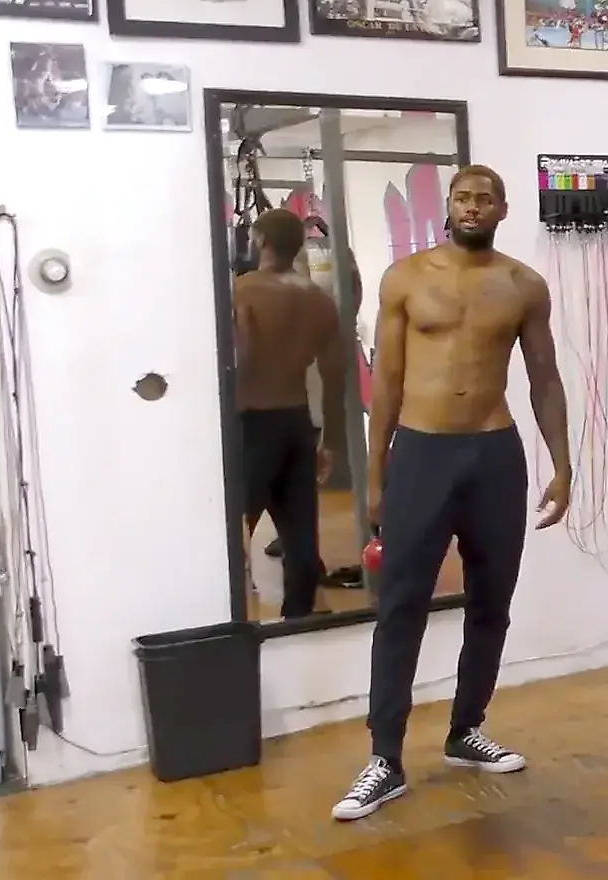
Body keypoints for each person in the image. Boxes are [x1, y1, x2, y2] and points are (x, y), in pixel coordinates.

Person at [332, 165, 573, 821]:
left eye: (484, 199)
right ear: (450, 205)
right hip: (422, 451)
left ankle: (467, 728)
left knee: (492, 601)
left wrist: (562, 465)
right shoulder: (406, 280)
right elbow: (386, 381)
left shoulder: (524, 285)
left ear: (502, 209)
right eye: (463, 197)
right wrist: (376, 475)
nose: (472, 207)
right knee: (401, 606)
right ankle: (385, 758)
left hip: (494, 453)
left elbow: (545, 378)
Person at [232, 209, 344, 621]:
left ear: (260, 241)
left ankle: (232, 622)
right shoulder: (319, 300)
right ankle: (299, 617)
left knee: (233, 532)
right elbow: (335, 376)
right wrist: (330, 440)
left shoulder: (241, 291)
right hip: (297, 424)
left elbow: (241, 360)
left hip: (252, 422)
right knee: (300, 535)